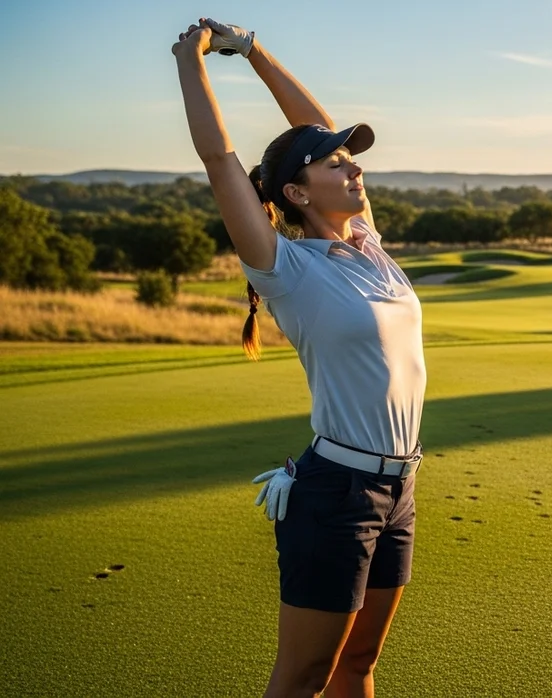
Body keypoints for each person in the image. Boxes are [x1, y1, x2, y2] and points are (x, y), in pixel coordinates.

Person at [173, 18, 426, 698]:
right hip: (336, 494)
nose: (354, 167)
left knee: (358, 668)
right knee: (303, 676)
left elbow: (316, 125)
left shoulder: (367, 243)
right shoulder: (285, 266)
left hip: (398, 487)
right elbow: (222, 161)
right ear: (295, 193)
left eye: (352, 159)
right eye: (335, 164)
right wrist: (190, 58)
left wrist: (252, 50)